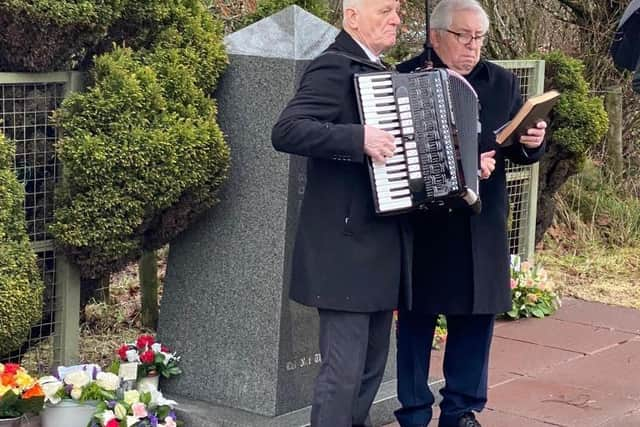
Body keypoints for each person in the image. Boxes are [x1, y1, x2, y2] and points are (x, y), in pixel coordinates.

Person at [393, 1, 547, 427]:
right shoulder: (403, 77)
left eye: (479, 37)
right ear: (435, 35)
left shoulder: (499, 81)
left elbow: (515, 147)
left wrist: (532, 142)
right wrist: (461, 162)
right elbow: (394, 150)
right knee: (416, 321)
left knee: (476, 319)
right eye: (464, 36)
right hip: (424, 221)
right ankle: (413, 411)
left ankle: (461, 411)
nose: (473, 46)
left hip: (481, 223)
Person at [271, 0, 411, 426]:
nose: (397, 19)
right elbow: (287, 130)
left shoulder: (382, 72)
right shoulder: (334, 67)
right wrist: (357, 138)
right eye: (385, 10)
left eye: (399, 10)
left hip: (381, 245)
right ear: (352, 17)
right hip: (344, 249)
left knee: (369, 370)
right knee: (343, 374)